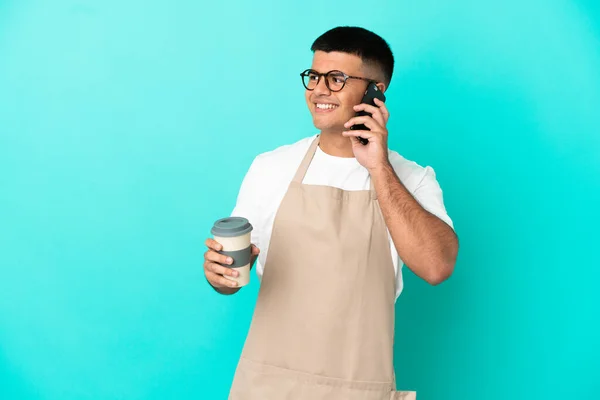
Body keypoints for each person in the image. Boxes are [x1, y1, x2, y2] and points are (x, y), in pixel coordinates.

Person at [203, 26, 458, 400]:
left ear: (376, 92)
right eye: (313, 76)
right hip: (268, 387)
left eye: (337, 78)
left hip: (358, 389)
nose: (318, 89)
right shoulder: (271, 167)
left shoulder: (411, 180)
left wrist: (378, 168)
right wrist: (219, 276)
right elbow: (231, 274)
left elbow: (437, 266)